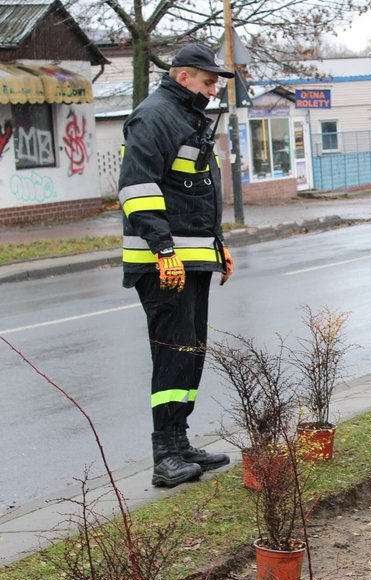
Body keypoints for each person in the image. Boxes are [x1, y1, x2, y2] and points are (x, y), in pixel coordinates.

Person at [119, 43, 234, 488]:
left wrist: (217, 244)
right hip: (165, 263)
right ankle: (164, 454)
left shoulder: (186, 117)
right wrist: (163, 249)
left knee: (189, 353)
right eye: (207, 82)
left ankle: (179, 442)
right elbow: (136, 188)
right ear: (183, 76)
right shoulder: (155, 116)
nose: (212, 91)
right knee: (171, 355)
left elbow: (195, 194)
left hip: (191, 258)